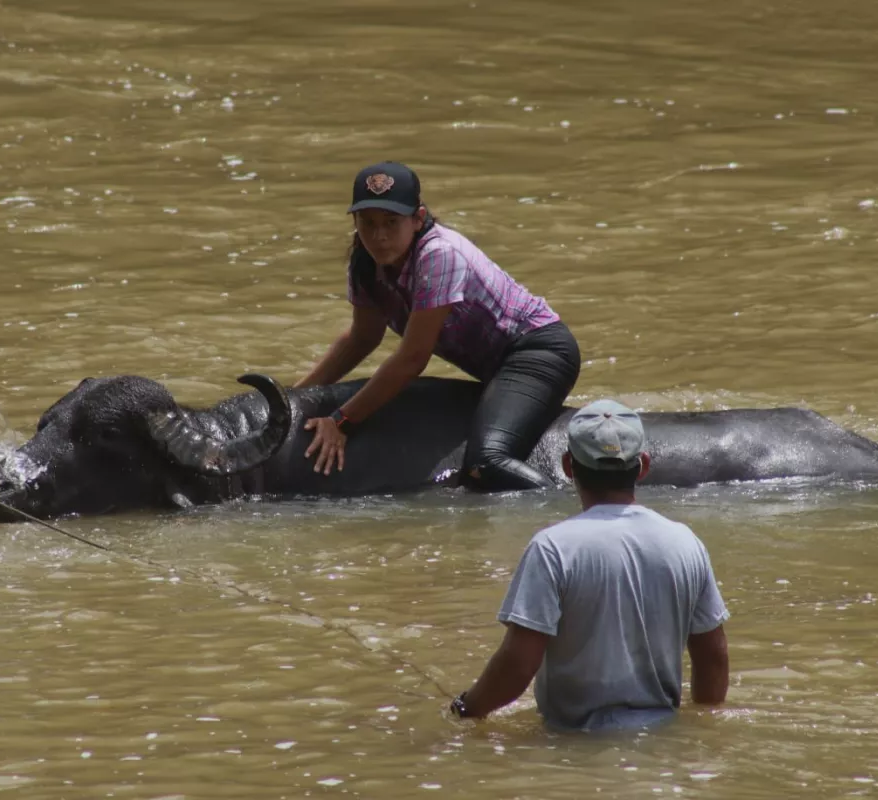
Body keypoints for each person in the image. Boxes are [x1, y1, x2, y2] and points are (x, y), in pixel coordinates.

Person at [294, 161, 581, 492]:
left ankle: (565, 509)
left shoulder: (439, 254)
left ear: (417, 219)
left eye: (391, 222)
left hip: (537, 352)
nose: (379, 236)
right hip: (496, 369)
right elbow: (362, 338)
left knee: (487, 462)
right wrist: (294, 396)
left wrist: (341, 421)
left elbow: (413, 358)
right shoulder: (365, 263)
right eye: (367, 223)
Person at [448, 399, 731, 731]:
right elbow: (713, 657)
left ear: (568, 466)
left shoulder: (553, 548)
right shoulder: (685, 543)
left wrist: (466, 708)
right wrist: (702, 730)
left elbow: (518, 665)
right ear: (643, 466)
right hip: (662, 744)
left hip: (575, 748)